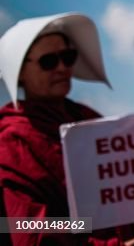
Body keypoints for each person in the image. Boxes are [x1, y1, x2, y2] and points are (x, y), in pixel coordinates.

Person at [0, 14, 124, 245]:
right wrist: (90, 229)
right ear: (20, 74)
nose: (62, 68)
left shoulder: (87, 119)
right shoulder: (12, 140)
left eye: (68, 57)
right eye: (48, 62)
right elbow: (26, 225)